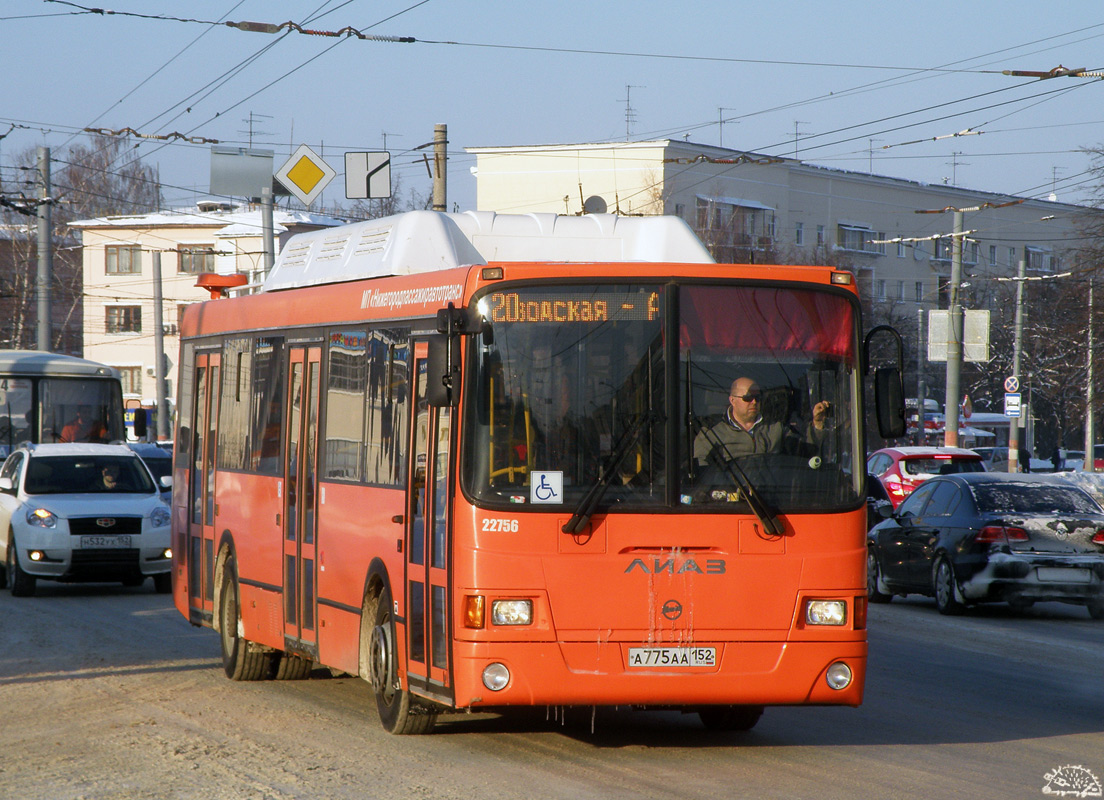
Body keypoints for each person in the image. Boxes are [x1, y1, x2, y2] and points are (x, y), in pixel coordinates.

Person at [693, 376, 831, 467]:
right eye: (748, 397)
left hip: (773, 498)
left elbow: (805, 452)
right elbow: (700, 472)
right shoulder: (711, 432)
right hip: (730, 502)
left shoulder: (776, 427)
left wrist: (817, 423)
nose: (754, 402)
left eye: (757, 397)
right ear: (732, 400)